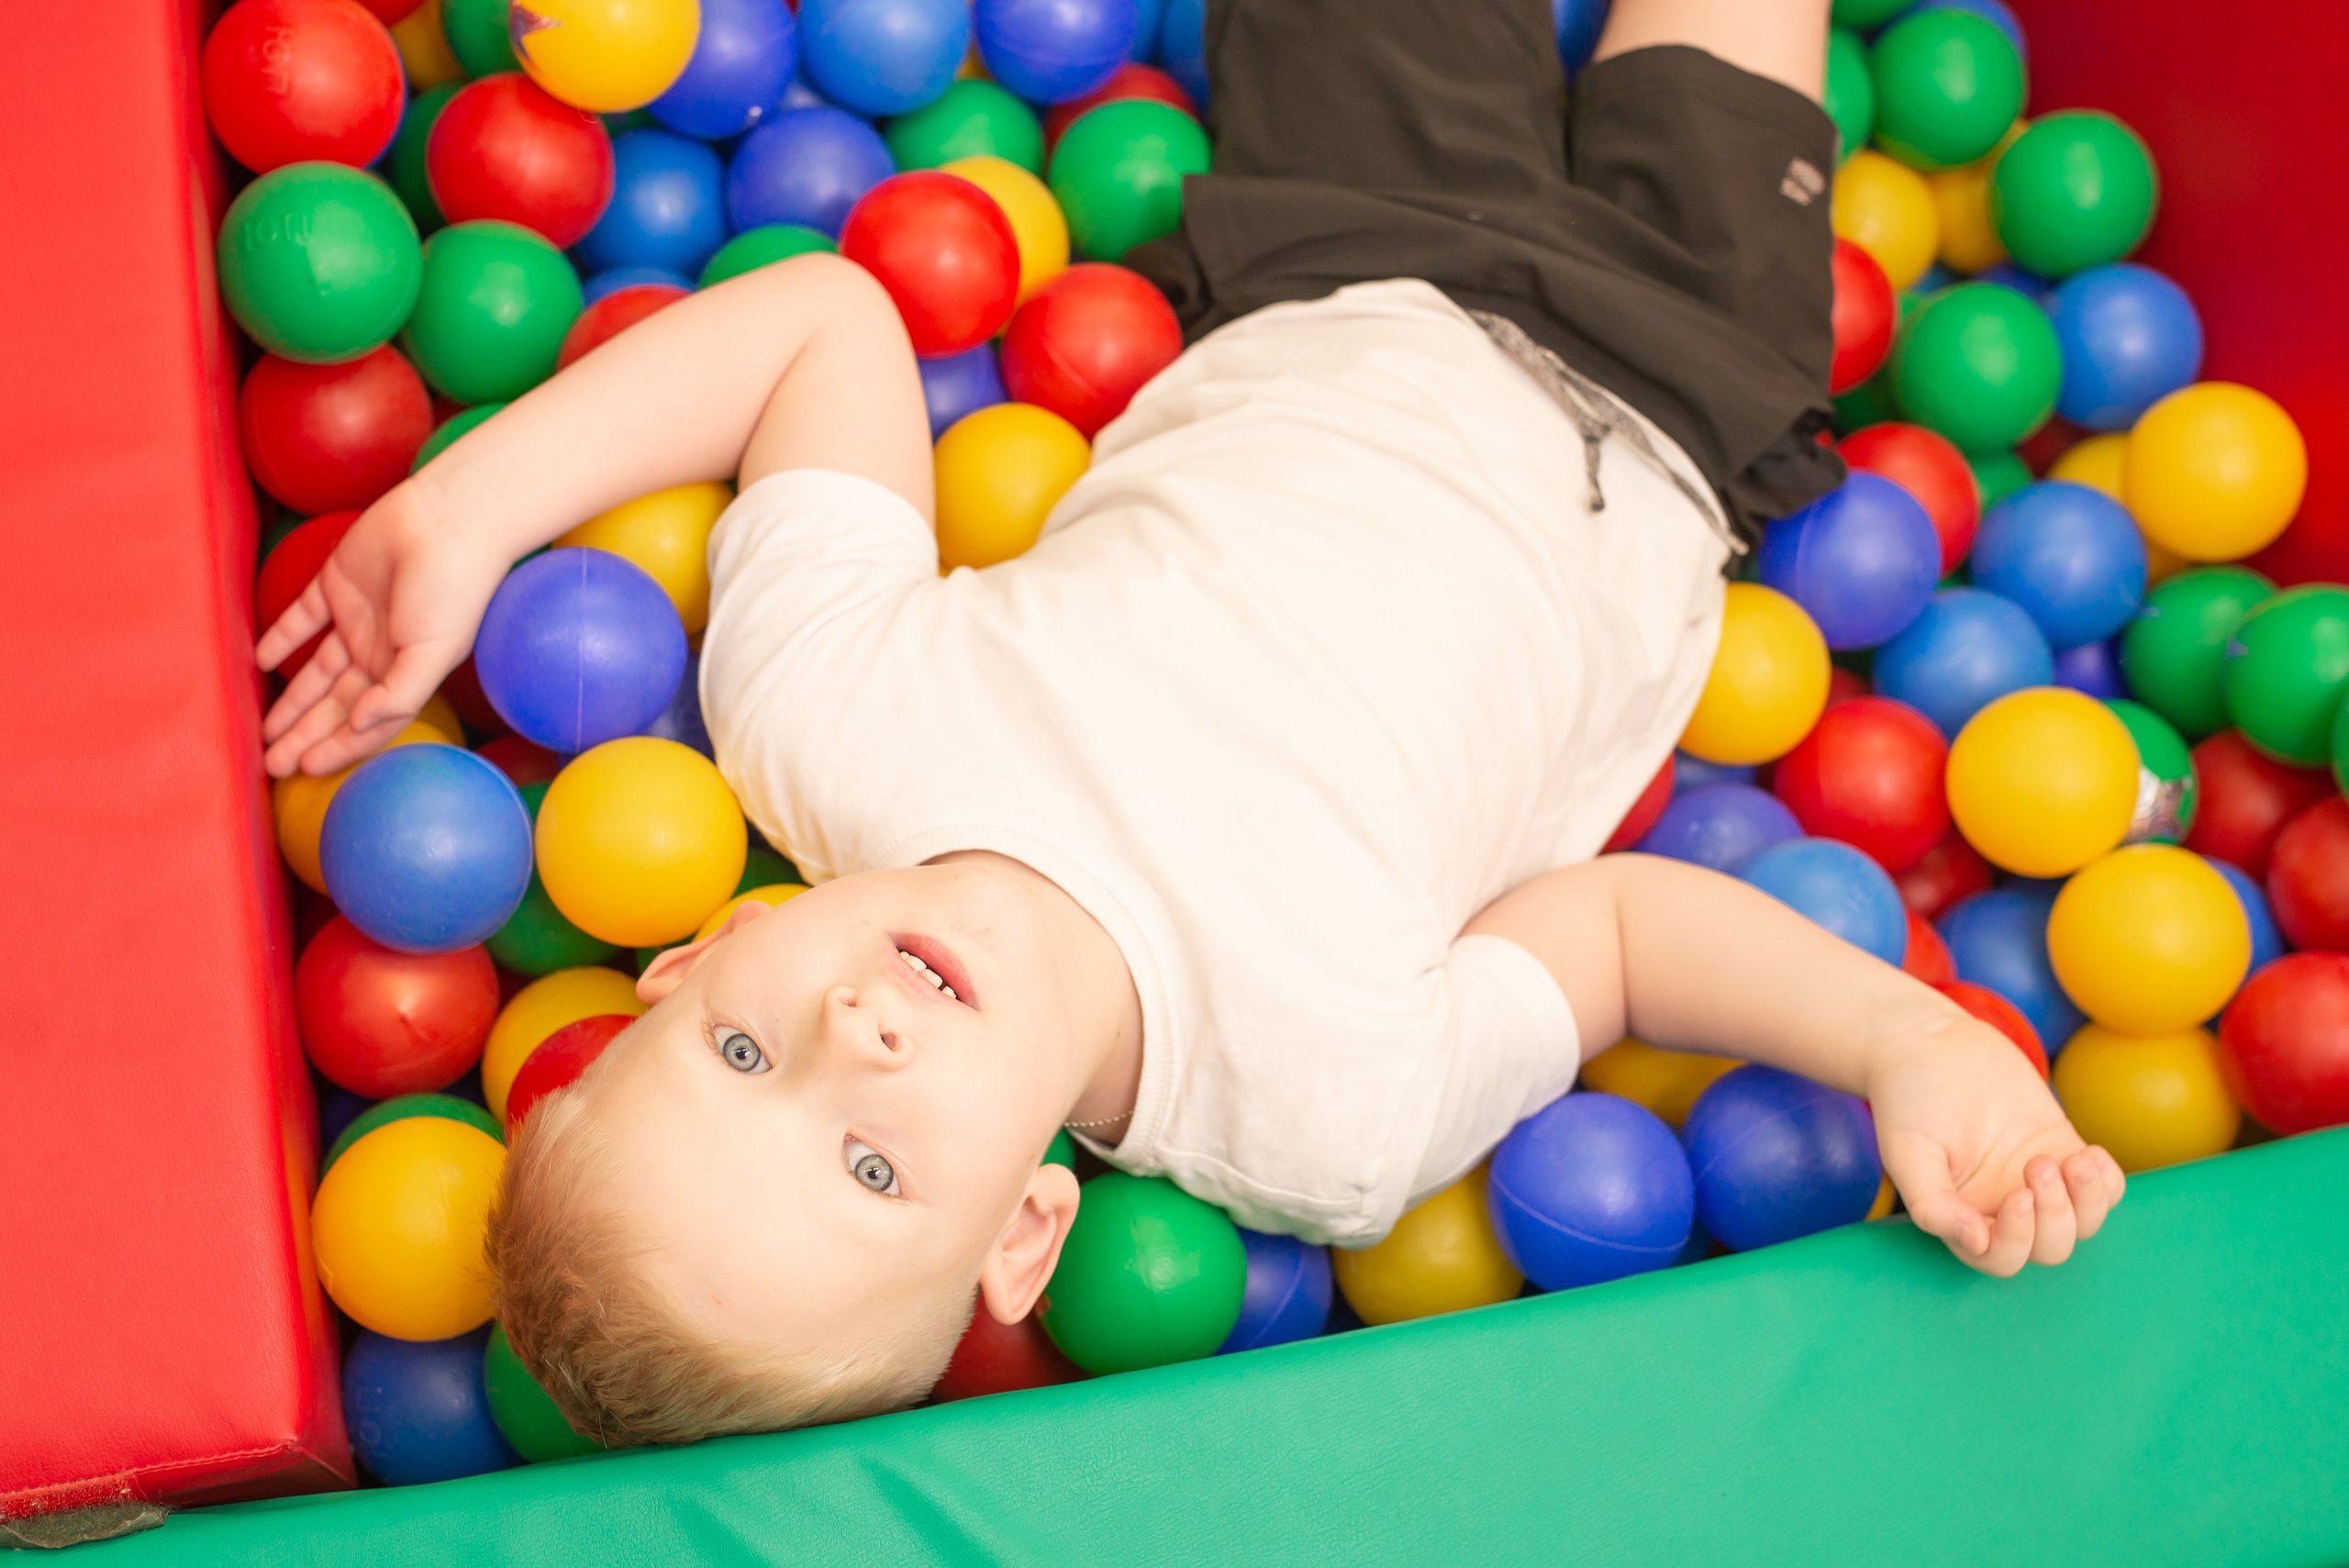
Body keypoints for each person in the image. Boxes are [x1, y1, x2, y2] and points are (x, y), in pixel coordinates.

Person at [256, 0, 2124, 1448]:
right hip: (1669, 394)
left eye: (744, 1057)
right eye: (875, 1165)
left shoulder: (824, 726)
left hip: (1350, 243)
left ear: (696, 955)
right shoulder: (1316, 1112)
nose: (861, 1033)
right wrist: (1895, 1037)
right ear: (1020, 1237)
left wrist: (469, 505)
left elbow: (818, 320)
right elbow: (1622, 941)